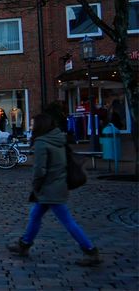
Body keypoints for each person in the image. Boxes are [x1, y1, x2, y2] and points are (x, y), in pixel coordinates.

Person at [8, 114, 100, 266]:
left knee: (67, 221)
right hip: (57, 185)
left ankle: (90, 250)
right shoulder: (58, 139)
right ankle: (24, 244)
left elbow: (40, 169)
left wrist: (36, 185)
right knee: (35, 215)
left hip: (49, 188)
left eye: (32, 124)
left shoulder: (42, 143)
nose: (31, 127)